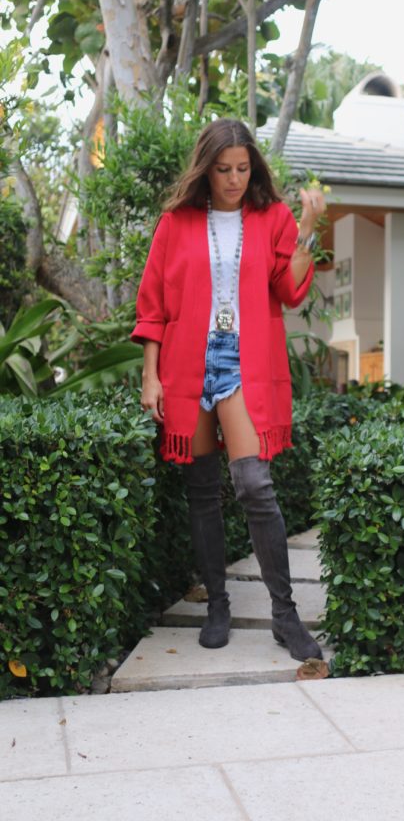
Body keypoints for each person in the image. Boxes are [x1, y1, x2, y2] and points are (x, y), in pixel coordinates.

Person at [131, 118, 326, 661]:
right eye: (223, 169)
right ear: (206, 168)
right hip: (187, 361)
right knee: (201, 489)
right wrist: (152, 375)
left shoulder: (272, 218)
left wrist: (307, 227)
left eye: (243, 168)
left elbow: (290, 289)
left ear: (253, 167)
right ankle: (217, 604)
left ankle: (284, 617)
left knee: (254, 484)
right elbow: (152, 304)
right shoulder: (176, 222)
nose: (234, 179)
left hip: (242, 361)